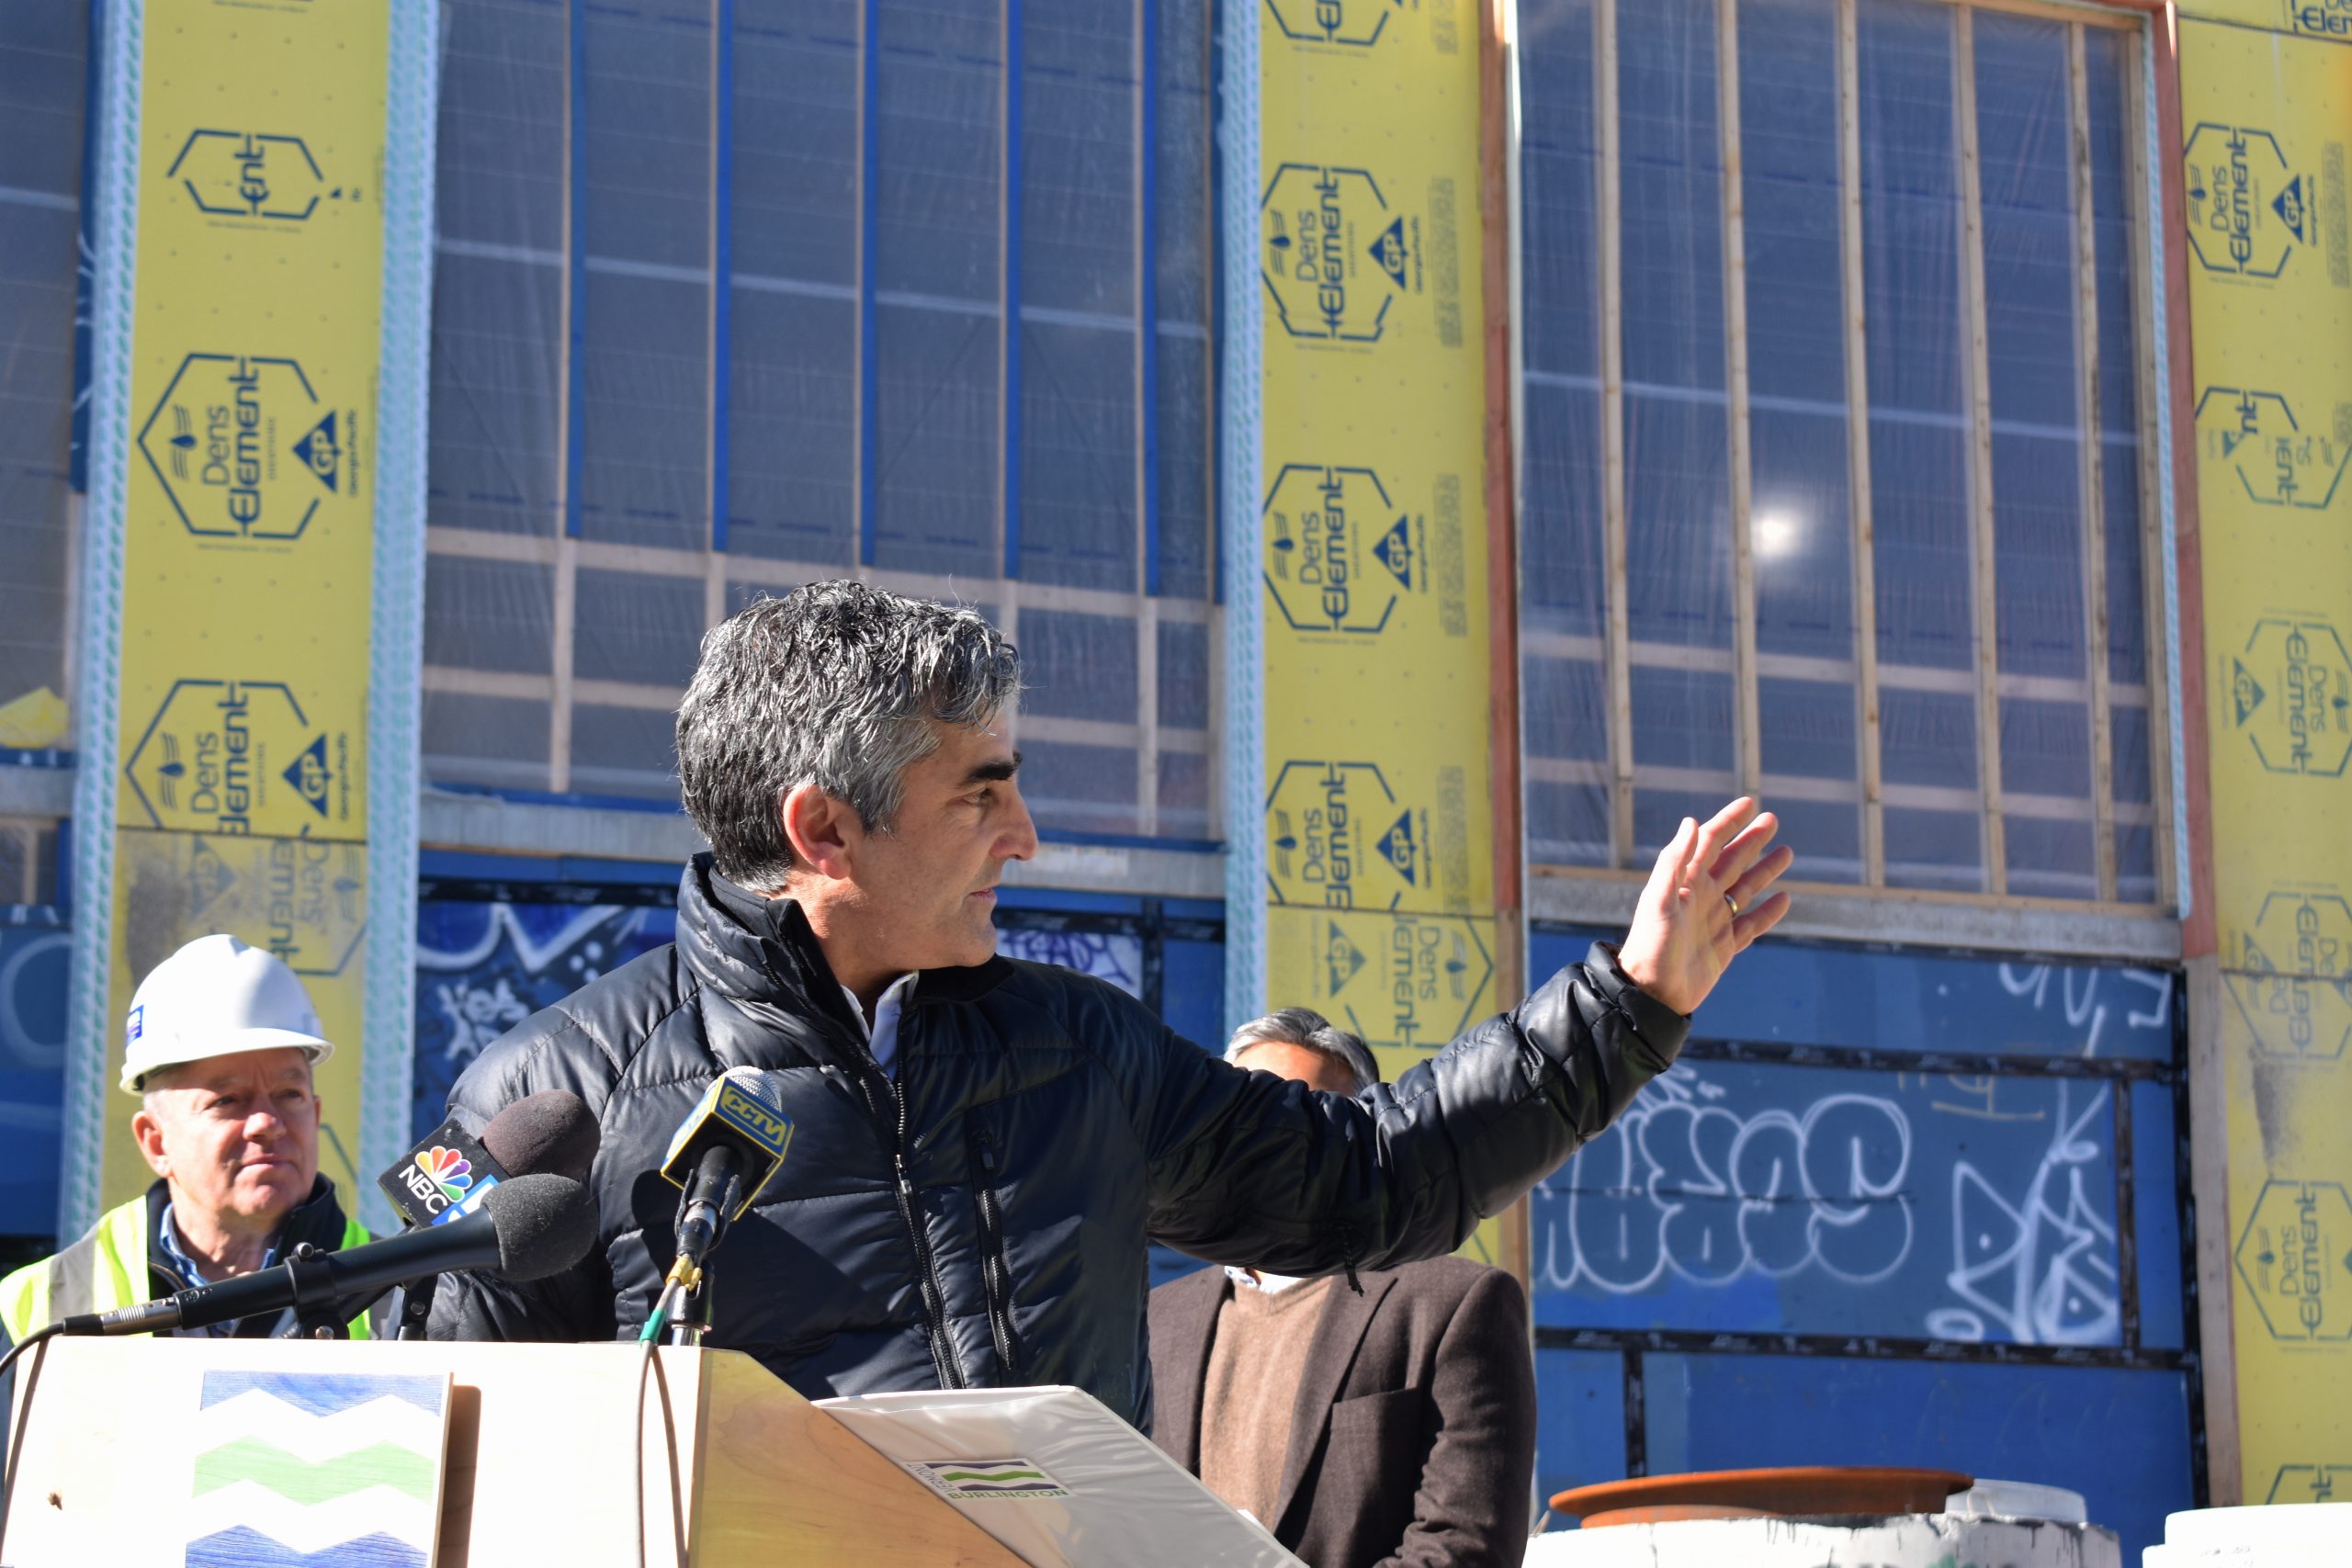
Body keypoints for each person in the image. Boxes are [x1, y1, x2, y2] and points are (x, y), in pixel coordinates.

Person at [430, 582, 1792, 1431]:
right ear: (825, 829)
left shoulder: (1077, 1050)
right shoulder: (538, 1108)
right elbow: (453, 1459)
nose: (1025, 832)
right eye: (981, 786)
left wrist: (1630, 1001)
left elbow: (1369, 1177)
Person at [1148, 1010, 1536, 1566]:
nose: (1265, 1143)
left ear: (1358, 1133)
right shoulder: (1158, 1320)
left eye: (1298, 1117)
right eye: (1241, 1116)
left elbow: (1464, 1547)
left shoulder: (1452, 1306)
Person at [0, 934, 385, 1348]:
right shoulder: (33, 1307)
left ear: (316, 1114)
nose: (267, 1123)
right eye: (228, 1100)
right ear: (156, 1143)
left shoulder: (398, 1290)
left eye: (290, 1095)